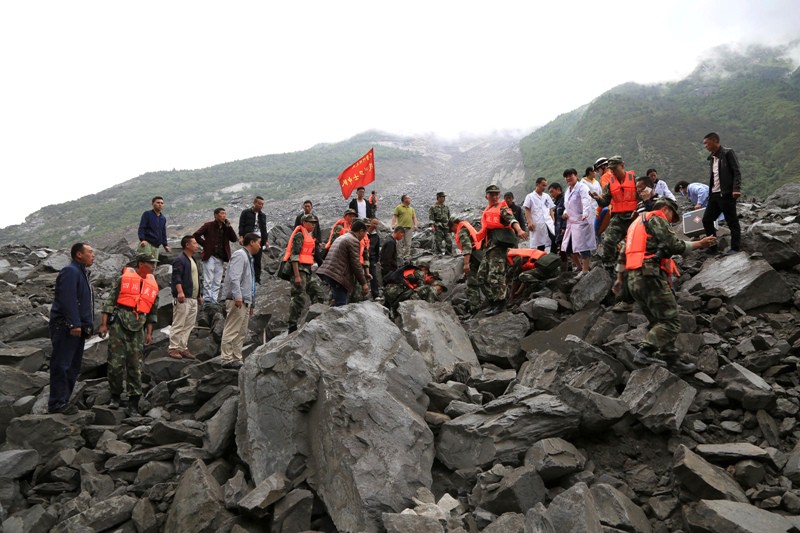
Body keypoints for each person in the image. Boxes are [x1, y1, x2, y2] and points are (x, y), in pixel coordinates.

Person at [614, 197, 717, 374]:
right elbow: (673, 244)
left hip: (633, 279)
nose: (670, 220)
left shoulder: (635, 225)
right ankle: (645, 351)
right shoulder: (656, 218)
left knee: (658, 322)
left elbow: (623, 253)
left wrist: (619, 279)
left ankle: (672, 361)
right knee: (670, 322)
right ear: (667, 209)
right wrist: (699, 244)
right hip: (649, 275)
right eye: (672, 216)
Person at [98, 252, 159, 412]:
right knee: (115, 364)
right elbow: (109, 302)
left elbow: (152, 312)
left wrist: (149, 333)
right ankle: (115, 396)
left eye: (154, 263)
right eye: (150, 263)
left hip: (139, 326)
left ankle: (133, 401)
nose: (153, 266)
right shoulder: (123, 280)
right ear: (140, 264)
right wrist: (104, 324)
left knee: (135, 365)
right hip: (119, 323)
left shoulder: (153, 285)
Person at [48, 242, 95, 415]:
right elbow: (67, 299)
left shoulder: (82, 273)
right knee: (62, 365)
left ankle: (64, 401)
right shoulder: (70, 271)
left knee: (73, 366)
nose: (93, 255)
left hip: (77, 328)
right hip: (66, 327)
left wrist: (87, 326)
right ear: (79, 255)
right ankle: (56, 403)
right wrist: (74, 323)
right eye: (90, 252)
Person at [475, 185, 527, 316]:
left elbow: (511, 220)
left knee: (496, 276)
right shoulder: (488, 209)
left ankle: (501, 303)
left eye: (497, 194)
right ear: (486, 196)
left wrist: (519, 229)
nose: (494, 196)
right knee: (481, 277)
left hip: (499, 248)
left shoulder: (502, 208)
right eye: (491, 194)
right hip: (490, 248)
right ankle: (493, 301)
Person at [590, 155, 639, 272]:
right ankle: (610, 267)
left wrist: (639, 212)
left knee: (640, 242)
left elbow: (643, 199)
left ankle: (640, 265)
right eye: (611, 170)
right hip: (619, 218)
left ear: (622, 166)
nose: (613, 172)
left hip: (634, 217)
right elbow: (604, 202)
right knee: (608, 240)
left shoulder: (635, 180)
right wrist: (597, 198)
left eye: (615, 169)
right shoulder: (610, 184)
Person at [219, 233, 260, 368]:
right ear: (252, 242)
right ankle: (226, 358)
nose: (260, 246)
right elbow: (234, 277)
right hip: (237, 299)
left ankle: (236, 357)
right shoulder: (240, 255)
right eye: (258, 242)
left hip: (245, 300)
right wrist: (237, 296)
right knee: (232, 329)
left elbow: (250, 282)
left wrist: (251, 302)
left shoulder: (249, 258)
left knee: (241, 331)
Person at [284, 214, 327, 333]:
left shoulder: (310, 235)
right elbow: (294, 256)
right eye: (311, 222)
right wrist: (297, 275)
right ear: (304, 223)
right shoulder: (300, 235)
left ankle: (315, 318)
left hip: (308, 270)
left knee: (318, 294)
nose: (313, 225)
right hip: (300, 270)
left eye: (315, 223)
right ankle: (292, 326)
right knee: (299, 297)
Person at [702, 132, 742, 254]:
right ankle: (713, 247)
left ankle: (735, 248)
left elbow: (736, 171)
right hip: (714, 194)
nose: (705, 146)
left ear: (714, 141)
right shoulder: (712, 158)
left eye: (706, 143)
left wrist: (736, 189)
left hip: (726, 193)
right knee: (707, 220)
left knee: (732, 221)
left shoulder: (727, 153)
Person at [317, 219, 370, 306]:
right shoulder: (353, 241)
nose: (364, 236)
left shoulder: (343, 237)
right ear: (361, 231)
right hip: (337, 275)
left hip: (330, 272)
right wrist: (364, 283)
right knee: (341, 303)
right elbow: (356, 264)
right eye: (365, 233)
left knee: (336, 300)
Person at [192, 208, 238, 305]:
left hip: (221, 256)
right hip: (210, 255)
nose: (224, 216)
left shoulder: (226, 227)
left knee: (217, 279)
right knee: (208, 278)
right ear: (215, 215)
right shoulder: (208, 225)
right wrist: (205, 244)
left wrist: (229, 227)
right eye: (222, 214)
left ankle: (214, 298)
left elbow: (234, 239)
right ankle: (207, 299)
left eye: (225, 214)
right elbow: (196, 234)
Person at [168, 236, 202, 359]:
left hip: (193, 298)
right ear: (187, 245)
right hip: (184, 297)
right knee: (179, 322)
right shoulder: (180, 260)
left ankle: (182, 347)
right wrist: (180, 292)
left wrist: (199, 295)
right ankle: (173, 348)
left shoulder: (192, 259)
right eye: (194, 243)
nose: (196, 245)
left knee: (189, 324)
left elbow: (196, 279)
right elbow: (176, 277)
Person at [561, 169, 597, 277]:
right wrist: (565, 212)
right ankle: (580, 267)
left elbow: (586, 200)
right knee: (568, 248)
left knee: (583, 246)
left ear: (576, 175)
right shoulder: (568, 190)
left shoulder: (582, 187)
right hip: (572, 222)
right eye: (566, 176)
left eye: (570, 175)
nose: (568, 178)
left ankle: (585, 270)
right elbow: (567, 205)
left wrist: (585, 213)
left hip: (582, 221)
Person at [449, 216, 483, 313]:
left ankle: (476, 308)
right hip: (481, 254)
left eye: (452, 229)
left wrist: (466, 264)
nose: (453, 232)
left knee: (472, 284)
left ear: (455, 225)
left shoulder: (462, 232)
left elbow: (467, 248)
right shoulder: (467, 226)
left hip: (475, 256)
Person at [238, 196, 269, 284]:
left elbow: (264, 228)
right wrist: (241, 236)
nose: (261, 206)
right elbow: (241, 225)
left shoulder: (263, 216)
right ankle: (245, 279)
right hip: (249, 239)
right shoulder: (245, 213)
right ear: (254, 203)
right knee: (247, 259)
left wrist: (266, 240)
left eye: (262, 204)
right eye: (259, 203)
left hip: (259, 240)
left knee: (257, 260)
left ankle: (257, 279)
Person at [523, 177, 555, 251]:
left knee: (554, 239)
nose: (544, 187)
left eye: (545, 186)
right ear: (537, 184)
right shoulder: (530, 196)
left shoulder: (546, 196)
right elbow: (527, 210)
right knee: (540, 244)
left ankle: (553, 257)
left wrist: (553, 220)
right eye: (543, 185)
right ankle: (540, 260)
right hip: (537, 223)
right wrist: (529, 222)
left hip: (548, 223)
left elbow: (550, 208)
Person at [391, 195, 417, 260]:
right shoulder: (398, 207)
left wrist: (415, 225)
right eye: (408, 198)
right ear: (404, 199)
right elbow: (394, 216)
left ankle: (406, 255)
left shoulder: (411, 209)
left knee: (408, 243)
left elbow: (414, 217)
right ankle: (399, 256)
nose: (410, 199)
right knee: (399, 243)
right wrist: (393, 224)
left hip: (409, 228)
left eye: (409, 198)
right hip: (400, 228)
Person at [548, 183, 566, 257]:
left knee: (564, 249)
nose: (551, 194)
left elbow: (566, 214)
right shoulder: (556, 203)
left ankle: (567, 267)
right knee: (562, 250)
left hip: (563, 229)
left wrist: (564, 227)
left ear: (558, 190)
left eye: (552, 191)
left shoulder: (564, 200)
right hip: (558, 230)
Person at [367, 218, 382, 299]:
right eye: (374, 223)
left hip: (372, 257)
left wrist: (377, 259)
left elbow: (377, 249)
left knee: (373, 276)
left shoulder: (376, 236)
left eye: (376, 224)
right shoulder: (364, 233)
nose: (375, 225)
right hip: (362, 257)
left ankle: (375, 294)